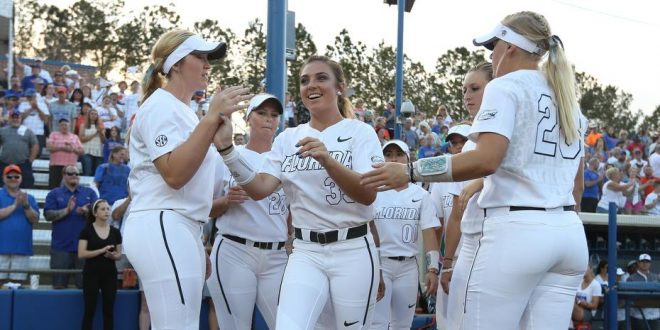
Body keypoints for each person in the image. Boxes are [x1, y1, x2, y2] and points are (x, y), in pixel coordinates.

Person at [362, 11, 588, 329]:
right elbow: (576, 187)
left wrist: (410, 171)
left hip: (517, 231)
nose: (492, 55)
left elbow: (486, 159)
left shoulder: (506, 86)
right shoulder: (568, 100)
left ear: (509, 46)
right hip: (568, 233)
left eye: (493, 47)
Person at [215, 55, 384, 329]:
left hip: (352, 248)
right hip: (306, 251)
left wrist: (329, 161)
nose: (311, 85)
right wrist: (227, 151)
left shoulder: (360, 132)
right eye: (305, 80)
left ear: (340, 86)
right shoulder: (287, 138)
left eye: (321, 78)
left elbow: (368, 194)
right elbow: (259, 189)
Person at [122, 29, 250, 330]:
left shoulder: (186, 112)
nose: (207, 65)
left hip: (181, 227)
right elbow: (175, 175)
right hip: (162, 222)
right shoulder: (160, 105)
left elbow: (195, 190)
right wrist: (210, 119)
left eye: (209, 59)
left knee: (185, 324)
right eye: (200, 57)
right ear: (176, 63)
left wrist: (194, 243)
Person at [207, 94, 289, 330]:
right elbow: (204, 209)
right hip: (235, 250)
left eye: (274, 115)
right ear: (247, 118)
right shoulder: (224, 157)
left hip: (277, 256)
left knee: (289, 323)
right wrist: (226, 201)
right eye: (261, 113)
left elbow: (292, 209)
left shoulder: (285, 159)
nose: (268, 120)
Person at [435, 62, 493, 329]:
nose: (467, 96)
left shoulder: (500, 136)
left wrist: (408, 171)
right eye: (464, 90)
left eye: (475, 88)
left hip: (495, 246)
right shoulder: (472, 142)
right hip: (472, 246)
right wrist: (446, 263)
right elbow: (457, 212)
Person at [370, 140, 440, 330]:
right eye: (389, 154)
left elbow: (429, 232)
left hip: (408, 266)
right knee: (376, 324)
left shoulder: (420, 194)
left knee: (402, 325)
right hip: (380, 263)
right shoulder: (373, 191)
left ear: (408, 158)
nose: (394, 159)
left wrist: (433, 269)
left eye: (399, 154)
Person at [44, 165, 98, 289]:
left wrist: (86, 212)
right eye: (70, 173)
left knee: (85, 287)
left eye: (77, 174)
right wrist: (66, 211)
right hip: (61, 247)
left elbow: (100, 215)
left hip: (86, 247)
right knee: (58, 286)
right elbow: (47, 215)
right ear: (64, 175)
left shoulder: (90, 192)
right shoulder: (54, 193)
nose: (74, 176)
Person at [78, 199, 122, 330]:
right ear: (95, 213)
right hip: (91, 274)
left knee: (108, 311)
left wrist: (113, 256)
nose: (106, 211)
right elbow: (81, 253)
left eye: (108, 209)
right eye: (102, 209)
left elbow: (119, 255)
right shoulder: (86, 231)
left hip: (109, 274)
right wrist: (101, 251)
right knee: (89, 310)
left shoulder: (115, 232)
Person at [0, 165, 39, 286]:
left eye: (16, 176)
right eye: (9, 176)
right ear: (3, 178)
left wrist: (26, 205)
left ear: (21, 178)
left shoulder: (29, 198)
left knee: (17, 285)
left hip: (21, 248)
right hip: (1, 249)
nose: (13, 178)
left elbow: (34, 219)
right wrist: (15, 205)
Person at [0, 110, 39, 188]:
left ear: (21, 119)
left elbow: (35, 145)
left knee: (27, 184)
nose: (15, 119)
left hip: (23, 164)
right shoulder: (2, 131)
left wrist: (30, 160)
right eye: (13, 117)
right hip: (4, 163)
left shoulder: (28, 131)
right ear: (9, 119)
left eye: (17, 117)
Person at [46, 118, 84, 189]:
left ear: (69, 126)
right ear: (59, 126)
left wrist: (73, 149)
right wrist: (62, 148)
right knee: (54, 187)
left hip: (70, 167)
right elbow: (49, 148)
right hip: (56, 165)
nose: (64, 127)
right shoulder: (53, 135)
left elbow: (82, 151)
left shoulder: (74, 137)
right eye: (62, 125)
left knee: (70, 187)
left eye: (66, 125)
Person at [626, 254, 660, 330]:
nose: (645, 263)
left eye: (647, 261)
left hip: (655, 315)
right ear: (638, 263)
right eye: (642, 261)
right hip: (638, 316)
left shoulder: (656, 277)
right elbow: (630, 298)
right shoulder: (631, 278)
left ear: (650, 263)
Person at [79, 107, 106, 176]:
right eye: (92, 114)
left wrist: (101, 132)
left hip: (98, 152)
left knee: (97, 174)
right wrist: (95, 133)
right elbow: (81, 139)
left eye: (95, 114)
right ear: (88, 115)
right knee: (88, 172)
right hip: (87, 151)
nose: (94, 115)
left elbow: (103, 141)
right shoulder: (83, 126)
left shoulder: (101, 126)